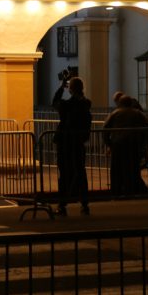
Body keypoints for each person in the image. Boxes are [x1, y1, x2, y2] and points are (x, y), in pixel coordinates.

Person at [52, 76, 92, 216]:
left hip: (66, 142)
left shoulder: (67, 105)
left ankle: (62, 204)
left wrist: (61, 87)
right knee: (80, 172)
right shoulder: (86, 104)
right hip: (79, 142)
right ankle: (84, 204)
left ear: (70, 89)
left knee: (64, 174)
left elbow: (55, 102)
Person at [102, 92, 148, 196]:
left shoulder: (114, 113)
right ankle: (132, 191)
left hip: (118, 146)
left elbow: (105, 129)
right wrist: (145, 144)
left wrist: (109, 144)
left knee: (116, 170)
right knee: (133, 169)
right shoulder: (138, 113)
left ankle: (116, 192)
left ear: (120, 103)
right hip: (133, 145)